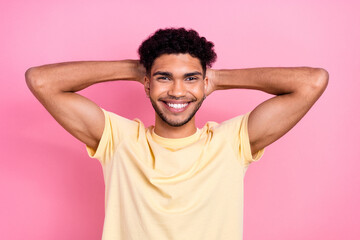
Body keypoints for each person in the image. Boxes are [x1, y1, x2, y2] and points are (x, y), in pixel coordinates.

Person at [25, 28, 329, 240]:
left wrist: (217, 78)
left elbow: (313, 81)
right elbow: (40, 80)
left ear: (204, 82)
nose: (178, 91)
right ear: (146, 83)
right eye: (164, 78)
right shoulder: (118, 139)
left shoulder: (231, 143)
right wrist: (137, 69)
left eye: (191, 78)